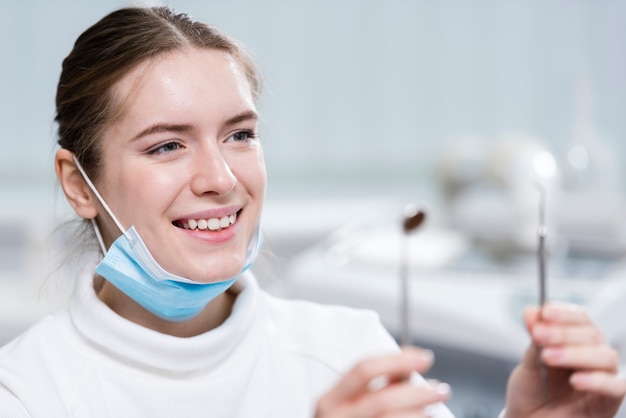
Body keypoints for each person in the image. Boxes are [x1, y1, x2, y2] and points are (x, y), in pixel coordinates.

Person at [0, 6, 623, 417]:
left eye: (240, 135)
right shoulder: (26, 392)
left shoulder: (351, 352)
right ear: (78, 184)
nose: (221, 178)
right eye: (167, 145)